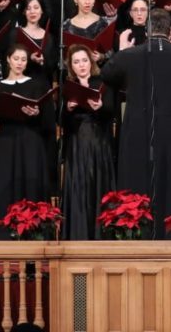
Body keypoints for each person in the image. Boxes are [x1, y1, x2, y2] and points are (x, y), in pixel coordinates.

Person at [101, 9, 171, 236]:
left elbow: (107, 75)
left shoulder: (130, 55)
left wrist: (122, 51)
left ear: (146, 30)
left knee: (138, 185)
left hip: (138, 134)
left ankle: (137, 235)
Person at [0, 44, 56, 233]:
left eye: (23, 59)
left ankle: (33, 234)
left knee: (30, 184)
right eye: (16, 59)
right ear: (8, 59)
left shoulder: (37, 84)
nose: (19, 63)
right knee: (4, 185)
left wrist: (36, 112)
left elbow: (48, 119)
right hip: (6, 141)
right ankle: (4, 234)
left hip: (30, 139)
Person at [61, 44, 116, 240]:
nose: (81, 65)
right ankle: (78, 235)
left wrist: (100, 107)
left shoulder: (102, 83)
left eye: (84, 60)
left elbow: (111, 113)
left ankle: (101, 236)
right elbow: (61, 122)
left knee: (98, 184)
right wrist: (68, 108)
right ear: (71, 66)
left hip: (99, 141)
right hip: (76, 143)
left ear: (91, 62)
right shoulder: (68, 86)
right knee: (79, 187)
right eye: (76, 62)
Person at [63, 0, 115, 65]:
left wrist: (101, 56)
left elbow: (111, 53)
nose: (87, 2)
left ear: (94, 0)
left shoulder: (104, 23)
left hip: (99, 72)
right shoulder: (66, 26)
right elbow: (64, 59)